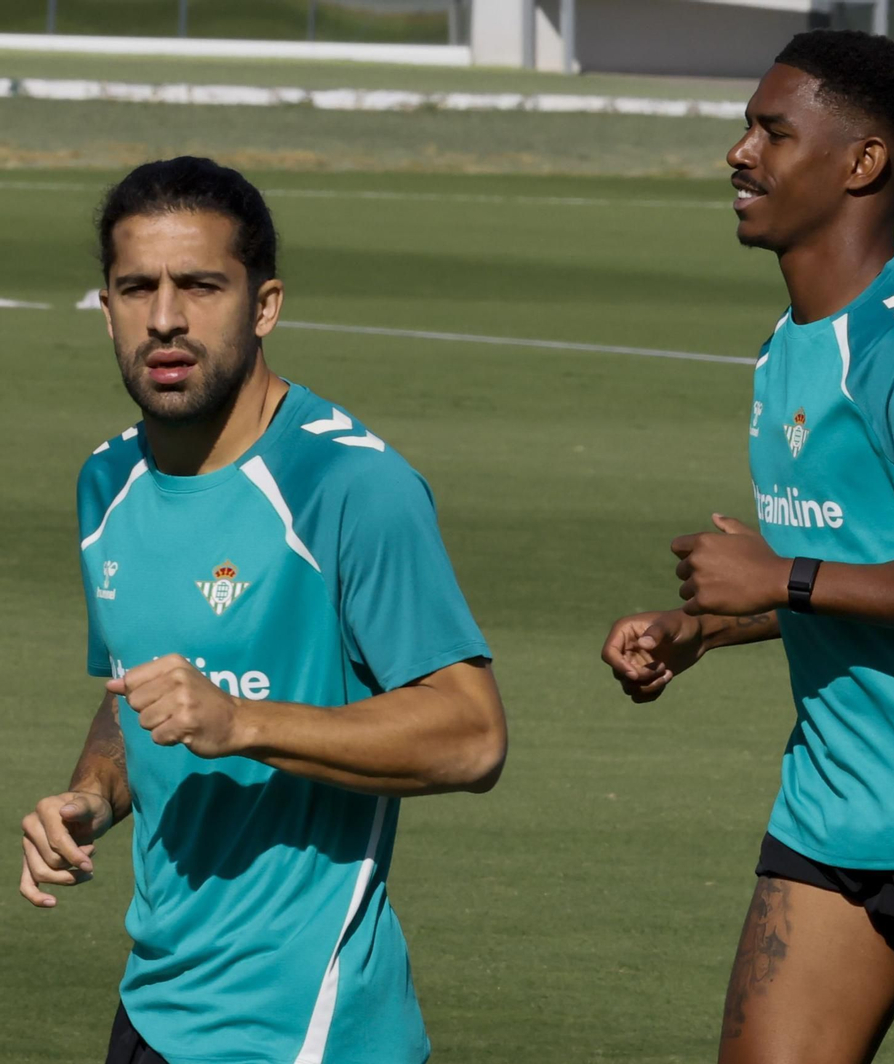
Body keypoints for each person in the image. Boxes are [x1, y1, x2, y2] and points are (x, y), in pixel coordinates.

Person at [18, 157, 507, 1064]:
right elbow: (142, 690)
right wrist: (92, 797)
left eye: (200, 286)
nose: (165, 317)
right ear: (108, 304)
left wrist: (241, 721)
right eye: (137, 288)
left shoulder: (350, 486)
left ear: (265, 304)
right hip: (156, 1007)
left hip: (305, 1029)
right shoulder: (106, 483)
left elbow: (474, 735)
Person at [601, 30, 894, 1064]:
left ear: (863, 163)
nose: (740, 154)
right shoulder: (789, 344)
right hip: (828, 818)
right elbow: (866, 558)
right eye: (749, 128)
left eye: (772, 131)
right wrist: (705, 623)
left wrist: (779, 575)